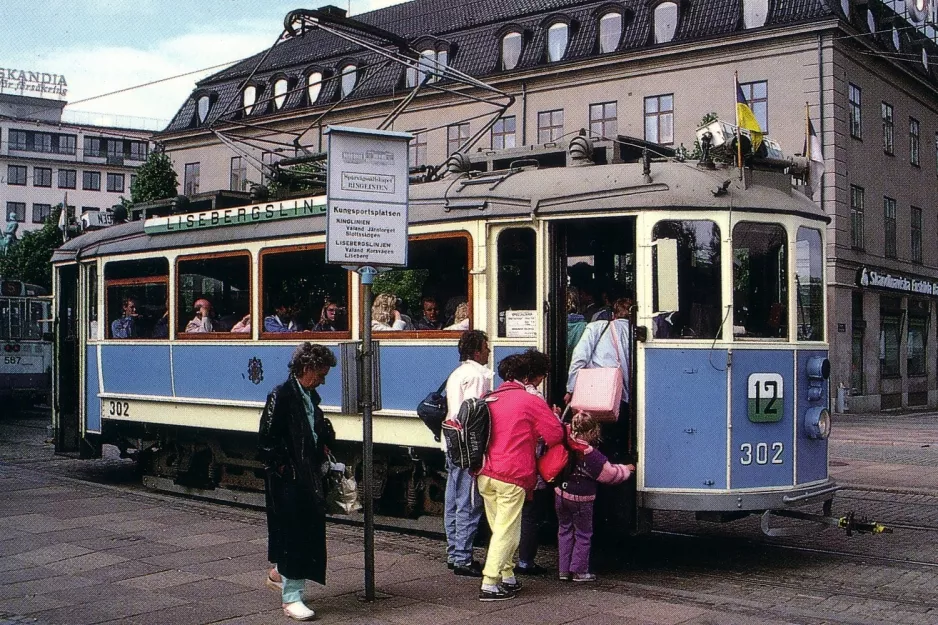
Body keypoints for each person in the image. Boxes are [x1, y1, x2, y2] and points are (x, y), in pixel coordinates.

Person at [258, 342, 337, 622]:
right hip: (292, 479)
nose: (324, 379)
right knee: (297, 534)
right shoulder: (282, 396)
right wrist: (285, 469)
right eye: (322, 373)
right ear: (307, 369)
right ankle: (291, 597)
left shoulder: (306, 394)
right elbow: (266, 440)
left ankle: (281, 573)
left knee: (299, 533)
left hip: (304, 474)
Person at [477, 349, 564, 601]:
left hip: (485, 471)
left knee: (500, 530)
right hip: (512, 474)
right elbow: (555, 435)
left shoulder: (489, 397)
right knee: (507, 531)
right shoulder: (530, 400)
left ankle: (508, 577)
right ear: (525, 376)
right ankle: (490, 582)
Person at [564, 296, 633, 566]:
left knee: (591, 456)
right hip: (622, 405)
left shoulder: (596, 328)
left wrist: (571, 390)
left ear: (612, 311)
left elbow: (579, 361)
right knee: (612, 456)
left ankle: (593, 519)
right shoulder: (638, 333)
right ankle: (613, 516)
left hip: (596, 402)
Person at [555, 411, 635, 582]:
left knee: (564, 531)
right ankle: (579, 572)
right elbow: (610, 475)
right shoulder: (590, 454)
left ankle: (563, 570)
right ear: (593, 431)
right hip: (581, 499)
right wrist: (627, 469)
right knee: (583, 534)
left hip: (560, 495)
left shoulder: (566, 443)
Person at [443, 329, 493, 578]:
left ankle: (454, 553)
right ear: (477, 351)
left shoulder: (457, 373)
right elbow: (475, 415)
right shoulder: (477, 376)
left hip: (451, 444)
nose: (489, 351)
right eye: (486, 347)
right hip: (467, 447)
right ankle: (463, 557)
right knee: (469, 502)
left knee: (452, 500)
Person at [515, 349, 559, 576]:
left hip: (514, 459)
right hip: (533, 459)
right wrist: (555, 416)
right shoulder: (536, 396)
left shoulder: (515, 391)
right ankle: (525, 561)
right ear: (539, 374)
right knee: (531, 513)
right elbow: (546, 432)